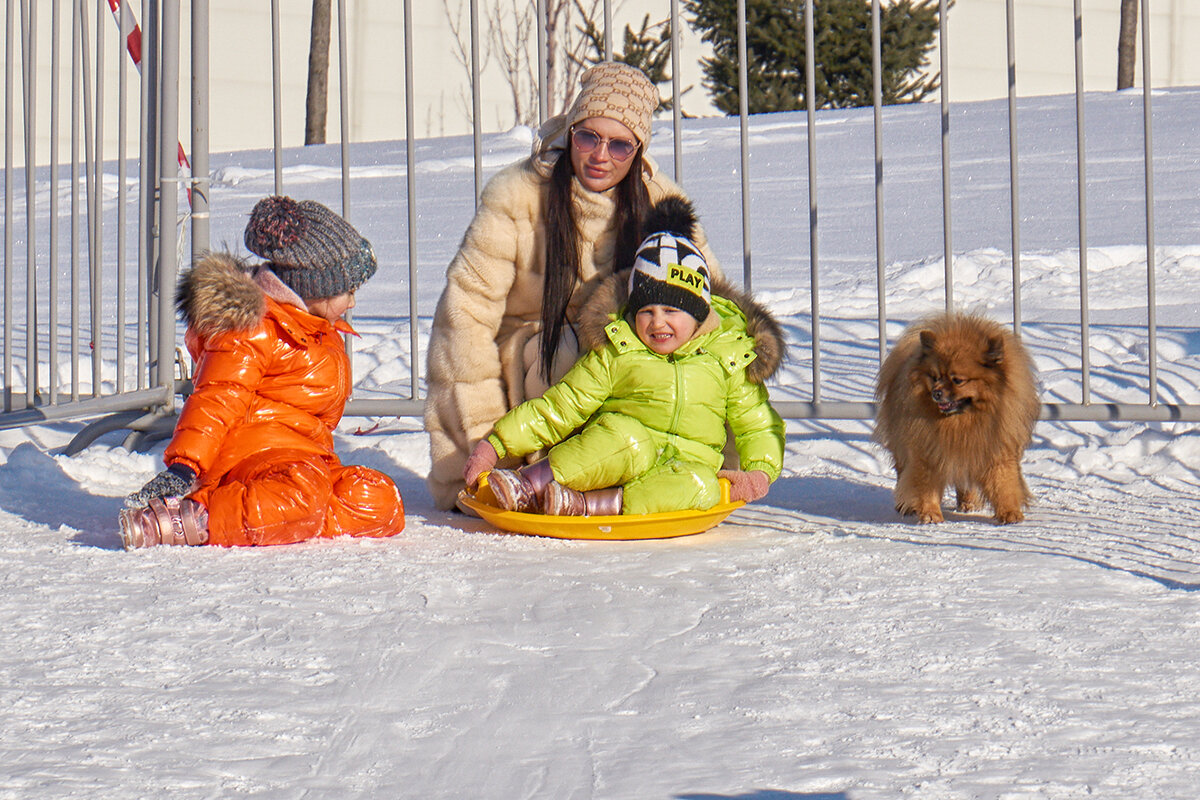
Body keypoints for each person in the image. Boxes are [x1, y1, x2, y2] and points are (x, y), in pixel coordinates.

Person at [425, 61, 724, 511]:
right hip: (533, 364)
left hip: (633, 356)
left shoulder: (661, 205)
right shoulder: (516, 196)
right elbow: (463, 320)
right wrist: (481, 453)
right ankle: (536, 479)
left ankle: (649, 475)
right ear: (570, 133)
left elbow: (711, 309)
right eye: (588, 136)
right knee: (567, 348)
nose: (600, 155)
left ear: (638, 151)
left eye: (620, 144)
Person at [461, 197, 785, 517]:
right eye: (646, 311)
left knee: (703, 485)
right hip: (617, 460)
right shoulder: (620, 349)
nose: (658, 323)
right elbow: (561, 406)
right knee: (622, 439)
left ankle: (590, 506)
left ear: (698, 313)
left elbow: (756, 424)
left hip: (680, 472)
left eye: (671, 310)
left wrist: (759, 472)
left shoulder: (727, 357)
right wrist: (496, 445)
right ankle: (531, 484)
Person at [119, 196, 406, 549]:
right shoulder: (252, 327)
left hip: (299, 459)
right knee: (303, 493)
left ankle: (287, 518)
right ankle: (196, 517)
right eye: (348, 290)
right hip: (245, 461)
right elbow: (218, 396)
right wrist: (184, 467)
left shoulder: (314, 326)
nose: (353, 303)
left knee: (378, 499)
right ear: (316, 286)